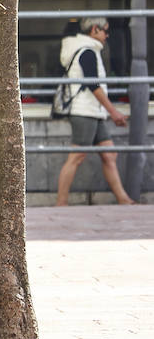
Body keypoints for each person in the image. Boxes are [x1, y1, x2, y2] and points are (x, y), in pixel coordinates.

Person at [56, 17, 134, 205]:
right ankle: (61, 202)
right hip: (84, 111)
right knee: (77, 156)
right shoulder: (87, 51)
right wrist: (113, 112)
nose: (107, 35)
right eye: (105, 30)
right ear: (94, 30)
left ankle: (123, 199)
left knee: (109, 154)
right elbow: (93, 86)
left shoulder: (88, 50)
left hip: (93, 111)